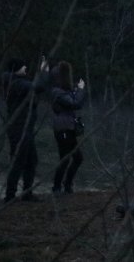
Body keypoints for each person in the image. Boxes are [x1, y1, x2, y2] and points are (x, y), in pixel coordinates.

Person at [1, 56, 49, 203]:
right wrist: (44, 71)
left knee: (31, 160)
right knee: (18, 163)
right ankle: (10, 196)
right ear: (16, 69)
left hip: (23, 128)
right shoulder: (17, 83)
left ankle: (27, 193)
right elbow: (38, 86)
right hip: (19, 129)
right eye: (23, 66)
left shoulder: (16, 82)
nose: (25, 68)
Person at [49, 61, 86, 194]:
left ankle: (66, 185)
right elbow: (76, 104)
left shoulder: (62, 91)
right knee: (65, 159)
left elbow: (74, 100)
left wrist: (77, 90)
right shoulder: (57, 92)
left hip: (67, 127)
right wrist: (81, 89)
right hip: (63, 128)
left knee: (77, 158)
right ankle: (57, 187)